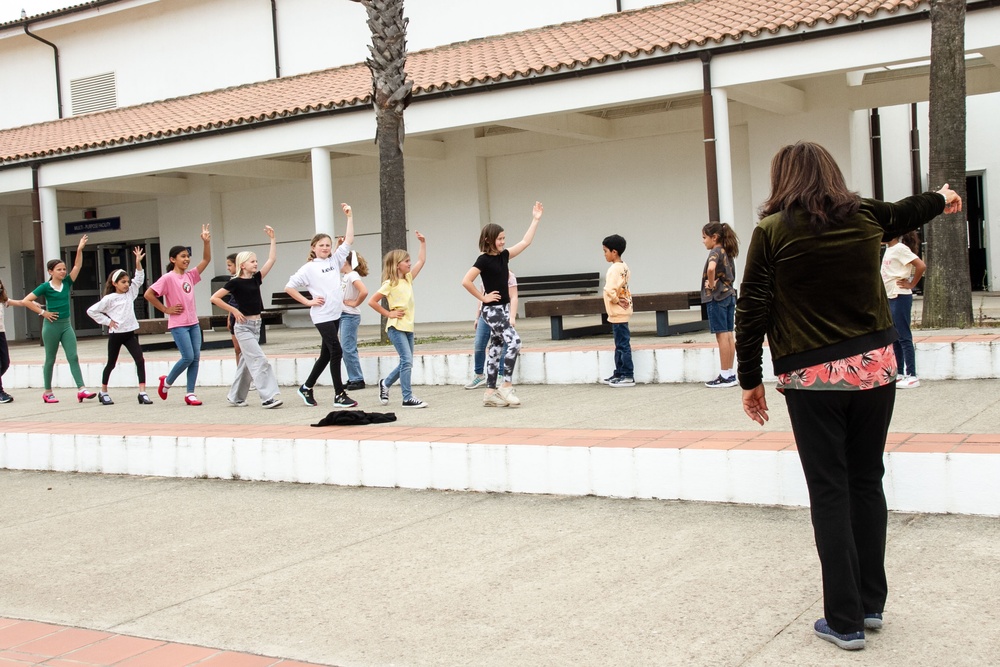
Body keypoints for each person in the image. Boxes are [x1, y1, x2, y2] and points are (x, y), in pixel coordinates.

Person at [735, 141, 961, 652]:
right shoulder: (865, 216)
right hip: (875, 368)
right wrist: (943, 195)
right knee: (866, 479)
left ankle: (844, 620)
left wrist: (749, 378)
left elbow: (753, 307)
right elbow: (911, 209)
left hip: (810, 376)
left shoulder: (771, 231)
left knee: (830, 488)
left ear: (781, 178)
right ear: (832, 173)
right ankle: (871, 603)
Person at [461, 201, 543, 407]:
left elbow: (525, 242)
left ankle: (489, 392)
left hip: (503, 310)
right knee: (514, 342)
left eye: (504, 238)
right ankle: (506, 385)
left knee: (496, 349)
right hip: (491, 311)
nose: (503, 242)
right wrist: (484, 299)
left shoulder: (504, 256)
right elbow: (466, 281)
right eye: (499, 239)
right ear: (488, 240)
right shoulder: (483, 260)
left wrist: (535, 220)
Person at [285, 203, 358, 409]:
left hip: (335, 314)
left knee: (326, 354)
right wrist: (308, 301)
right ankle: (339, 394)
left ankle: (306, 387)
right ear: (313, 248)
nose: (325, 248)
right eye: (321, 245)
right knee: (337, 351)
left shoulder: (335, 261)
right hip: (322, 316)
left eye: (328, 245)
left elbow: (349, 240)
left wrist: (349, 217)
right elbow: (289, 287)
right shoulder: (309, 268)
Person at [211, 226, 282, 408]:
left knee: (245, 362)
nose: (256, 264)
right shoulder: (234, 282)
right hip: (242, 327)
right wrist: (233, 311)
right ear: (242, 265)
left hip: (256, 325)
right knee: (259, 360)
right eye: (252, 262)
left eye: (256, 261)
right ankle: (268, 397)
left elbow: (271, 260)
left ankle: (235, 397)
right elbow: (215, 298)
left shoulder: (256, 279)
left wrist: (273, 239)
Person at [21, 235, 98, 404]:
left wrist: (79, 249)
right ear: (51, 272)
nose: (63, 271)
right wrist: (44, 313)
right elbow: (27, 300)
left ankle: (81, 389)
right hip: (51, 327)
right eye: (59, 269)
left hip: (66, 325)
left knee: (73, 356)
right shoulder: (45, 287)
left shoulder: (68, 282)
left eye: (64, 269)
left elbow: (77, 265)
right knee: (50, 358)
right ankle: (47, 392)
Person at [144, 225, 212, 406]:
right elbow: (149, 294)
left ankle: (190, 393)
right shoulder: (167, 278)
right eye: (183, 256)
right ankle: (166, 382)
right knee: (188, 357)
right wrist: (166, 309)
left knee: (195, 358)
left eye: (188, 256)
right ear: (172, 259)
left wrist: (206, 242)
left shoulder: (190, 276)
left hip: (193, 323)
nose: (187, 259)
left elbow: (206, 259)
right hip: (178, 324)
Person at [368, 232, 428, 409]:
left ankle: (385, 383)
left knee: (406, 361)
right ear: (397, 265)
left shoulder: (408, 279)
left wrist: (423, 243)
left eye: (409, 261)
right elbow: (372, 301)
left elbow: (421, 261)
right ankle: (407, 397)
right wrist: (388, 314)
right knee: (407, 360)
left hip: (408, 326)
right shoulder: (390, 283)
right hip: (396, 327)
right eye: (406, 261)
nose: (409, 264)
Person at [86, 246, 151, 405]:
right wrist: (108, 322)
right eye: (123, 282)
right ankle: (104, 391)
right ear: (114, 283)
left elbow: (139, 278)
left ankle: (142, 392)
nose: (127, 284)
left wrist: (138, 262)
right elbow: (92, 311)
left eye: (127, 282)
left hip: (130, 333)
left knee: (140, 360)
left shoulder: (131, 293)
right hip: (116, 334)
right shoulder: (110, 298)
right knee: (111, 363)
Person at [881, 231, 925, 388]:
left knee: (904, 336)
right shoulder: (890, 248)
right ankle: (899, 373)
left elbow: (921, 265)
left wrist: (912, 284)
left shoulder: (900, 248)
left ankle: (912, 375)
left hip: (900, 296)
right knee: (895, 337)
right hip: (890, 296)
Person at [701, 221, 740, 388]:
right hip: (729, 294)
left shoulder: (715, 252)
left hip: (717, 297)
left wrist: (710, 284)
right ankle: (730, 372)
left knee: (721, 336)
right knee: (729, 334)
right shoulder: (727, 252)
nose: (703, 241)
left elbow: (711, 269)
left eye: (704, 237)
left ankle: (724, 374)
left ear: (714, 237)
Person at [464, 271, 516, 390]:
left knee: (502, 345)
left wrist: (511, 317)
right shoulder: (486, 274)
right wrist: (477, 317)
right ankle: (479, 375)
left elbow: (513, 296)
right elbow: (481, 296)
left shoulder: (509, 276)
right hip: (485, 314)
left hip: (501, 314)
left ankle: (500, 375)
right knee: (479, 344)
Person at [602, 234, 634, 387]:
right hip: (622, 311)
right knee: (621, 344)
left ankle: (627, 374)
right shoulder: (624, 266)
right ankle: (619, 373)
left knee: (622, 344)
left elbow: (609, 289)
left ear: (614, 252)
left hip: (617, 311)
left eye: (605, 251)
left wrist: (615, 300)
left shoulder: (614, 269)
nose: (604, 254)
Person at [339, 247, 369, 391]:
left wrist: (355, 303)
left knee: (348, 348)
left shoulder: (352, 275)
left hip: (350, 315)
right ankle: (353, 377)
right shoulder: (346, 276)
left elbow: (364, 291)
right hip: (344, 315)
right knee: (347, 348)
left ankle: (357, 378)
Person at [0, 278, 32, 404]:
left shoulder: (2, 301)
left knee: (5, 362)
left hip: (1, 333)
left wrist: (30, 303)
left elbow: (19, 302)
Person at [225, 253, 243, 365]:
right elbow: (231, 300)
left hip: (244, 315)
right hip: (233, 315)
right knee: (237, 348)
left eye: (230, 265)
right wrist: (229, 317)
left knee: (244, 348)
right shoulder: (231, 281)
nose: (228, 268)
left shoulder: (247, 279)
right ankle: (239, 372)